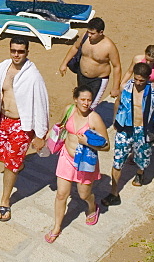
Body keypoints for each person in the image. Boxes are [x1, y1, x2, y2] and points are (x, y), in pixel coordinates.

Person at [0, 37, 50, 222]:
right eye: (13, 51)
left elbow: (41, 104)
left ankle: (5, 200)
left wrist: (40, 134)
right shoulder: (2, 68)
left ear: (27, 52)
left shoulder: (33, 76)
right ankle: (18, 164)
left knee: (10, 163)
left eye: (20, 51)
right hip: (2, 120)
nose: (16, 55)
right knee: (0, 154)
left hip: (22, 125)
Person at [45, 86, 110, 243]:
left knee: (83, 194)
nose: (86, 103)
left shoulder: (95, 119)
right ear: (75, 99)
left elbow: (106, 146)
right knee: (61, 194)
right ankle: (57, 227)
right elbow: (61, 124)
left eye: (89, 100)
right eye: (83, 99)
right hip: (66, 157)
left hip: (85, 162)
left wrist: (87, 142)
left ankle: (92, 206)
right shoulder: (69, 110)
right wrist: (50, 135)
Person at [102, 62, 154, 206]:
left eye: (142, 80)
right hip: (125, 129)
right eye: (136, 79)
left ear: (148, 79)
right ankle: (114, 192)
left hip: (143, 131)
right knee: (118, 161)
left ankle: (140, 173)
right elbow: (118, 102)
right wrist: (116, 120)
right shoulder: (126, 88)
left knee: (142, 157)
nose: (138, 83)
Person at [58, 17, 121, 109]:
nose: (89, 35)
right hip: (82, 75)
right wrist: (64, 63)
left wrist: (115, 87)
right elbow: (75, 48)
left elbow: (117, 66)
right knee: (81, 101)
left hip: (98, 80)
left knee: (90, 106)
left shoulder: (109, 46)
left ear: (101, 32)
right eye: (88, 32)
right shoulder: (85, 37)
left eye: (92, 33)